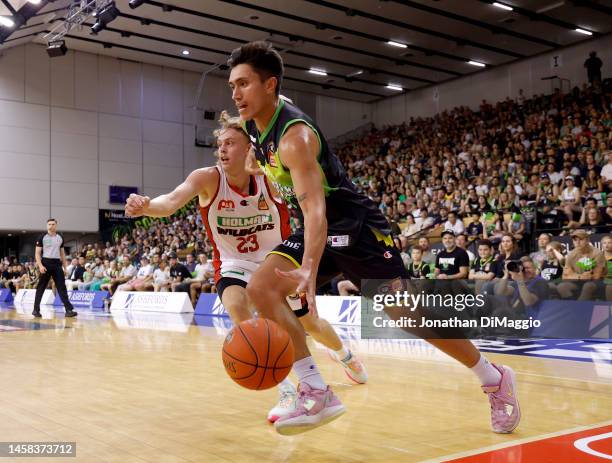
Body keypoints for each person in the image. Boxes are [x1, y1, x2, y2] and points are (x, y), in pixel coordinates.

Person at [229, 41, 519, 435]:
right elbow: (276, 173)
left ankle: (494, 377)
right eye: (232, 85)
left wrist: (309, 269)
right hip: (318, 229)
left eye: (244, 84)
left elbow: (316, 210)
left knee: (409, 316)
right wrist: (254, 165)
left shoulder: (294, 138)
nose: (235, 93)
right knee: (262, 288)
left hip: (356, 229)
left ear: (270, 85)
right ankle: (316, 391)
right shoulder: (253, 126)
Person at [124, 109, 366, 425]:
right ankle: (286, 390)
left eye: (231, 143)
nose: (222, 150)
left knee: (311, 324)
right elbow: (170, 202)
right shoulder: (207, 178)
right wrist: (147, 207)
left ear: (249, 147)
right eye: (220, 144)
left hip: (276, 261)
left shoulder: (270, 177)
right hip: (234, 264)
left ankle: (344, 355)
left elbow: (304, 198)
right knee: (239, 309)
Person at [32, 219, 77, 318]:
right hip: (46, 263)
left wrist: (65, 268)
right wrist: (40, 266)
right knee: (41, 287)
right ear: (46, 225)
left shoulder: (60, 237)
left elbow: (62, 254)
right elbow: (37, 253)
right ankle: (36, 310)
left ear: (56, 226)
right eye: (49, 224)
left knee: (62, 287)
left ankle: (68, 310)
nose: (51, 226)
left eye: (53, 224)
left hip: (57, 264)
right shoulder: (41, 237)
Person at [558, 229, 606, 300]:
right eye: (575, 240)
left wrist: (574, 275)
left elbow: (596, 276)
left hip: (598, 282)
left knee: (587, 286)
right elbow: (565, 276)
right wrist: (579, 277)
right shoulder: (571, 254)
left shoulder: (597, 253)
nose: (577, 242)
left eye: (580, 239)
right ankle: (573, 306)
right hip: (579, 281)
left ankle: (580, 308)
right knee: (562, 286)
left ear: (587, 240)